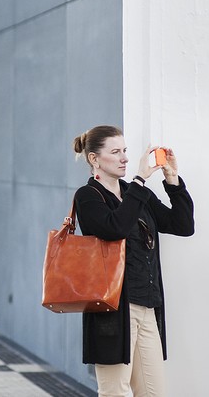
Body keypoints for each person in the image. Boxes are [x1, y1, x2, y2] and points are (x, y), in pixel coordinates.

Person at [72, 125, 194, 397]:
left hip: (147, 306)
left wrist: (172, 179)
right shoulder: (89, 196)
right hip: (113, 311)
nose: (124, 158)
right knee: (115, 392)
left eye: (125, 151)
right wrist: (139, 180)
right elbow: (115, 228)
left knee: (153, 393)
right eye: (115, 152)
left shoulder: (136, 193)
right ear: (95, 159)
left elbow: (183, 225)